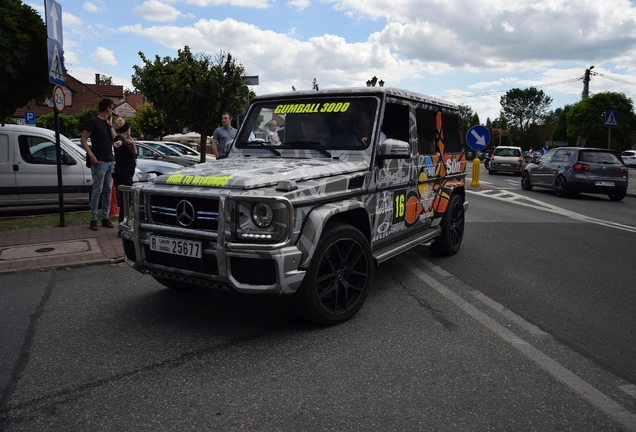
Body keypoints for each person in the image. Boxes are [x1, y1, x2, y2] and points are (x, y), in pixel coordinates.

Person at [80, 98, 116, 231]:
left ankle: (105, 217)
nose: (112, 110)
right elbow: (83, 138)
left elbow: (114, 139)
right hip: (99, 161)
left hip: (109, 160)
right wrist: (90, 154)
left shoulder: (107, 123)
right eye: (111, 108)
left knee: (108, 190)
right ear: (108, 108)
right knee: (97, 190)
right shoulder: (93, 121)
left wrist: (110, 124)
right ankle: (93, 219)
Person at [112, 117, 137, 230]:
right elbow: (119, 142)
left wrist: (133, 144)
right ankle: (123, 225)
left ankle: (124, 223)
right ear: (127, 129)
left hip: (127, 174)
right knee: (126, 201)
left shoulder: (126, 141)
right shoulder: (120, 139)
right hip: (123, 175)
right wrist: (119, 143)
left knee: (127, 201)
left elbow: (134, 155)